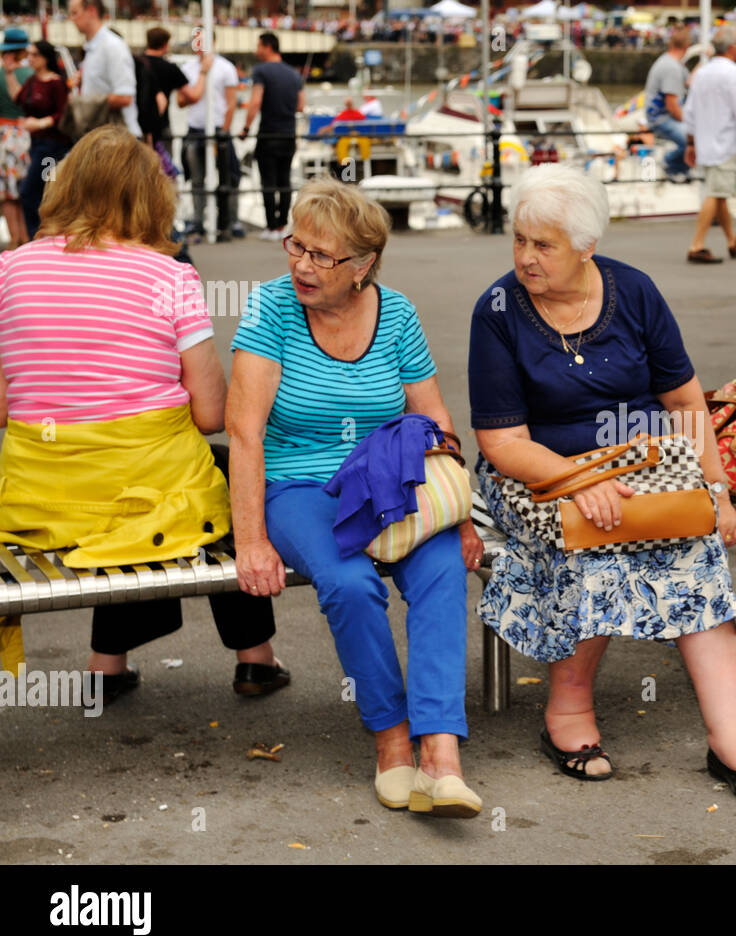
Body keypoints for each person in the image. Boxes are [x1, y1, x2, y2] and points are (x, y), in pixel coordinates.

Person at [469, 164, 736, 802]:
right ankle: (569, 713)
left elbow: (686, 400)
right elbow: (500, 442)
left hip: (641, 466)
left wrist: (716, 489)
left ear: (587, 247)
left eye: (544, 245)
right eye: (520, 241)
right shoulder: (498, 310)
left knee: (693, 547)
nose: (526, 258)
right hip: (535, 471)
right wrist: (574, 479)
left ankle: (733, 736)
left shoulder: (633, 291)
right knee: (602, 536)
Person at [227, 178, 484, 817]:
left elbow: (436, 421)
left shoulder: (395, 312)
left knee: (443, 568)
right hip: (299, 485)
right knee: (347, 582)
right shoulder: (271, 309)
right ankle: (392, 740)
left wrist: (460, 515)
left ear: (363, 266)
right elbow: (243, 432)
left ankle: (442, 755)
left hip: (387, 482)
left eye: (323, 256)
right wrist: (251, 540)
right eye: (297, 247)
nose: (302, 265)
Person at [0, 126, 282, 702]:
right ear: (150, 196)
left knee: (124, 497)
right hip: (148, 488)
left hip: (37, 497)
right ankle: (255, 658)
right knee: (226, 477)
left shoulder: (10, 271)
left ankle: (108, 665)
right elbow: (208, 413)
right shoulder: (170, 275)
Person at [683, 25, 736, 264]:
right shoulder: (734, 73)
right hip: (726, 142)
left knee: (720, 192)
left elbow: (690, 111)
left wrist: (691, 143)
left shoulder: (702, 72)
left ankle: (731, 240)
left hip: (705, 142)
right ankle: (697, 245)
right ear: (733, 48)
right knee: (716, 192)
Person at [241, 32, 304, 241]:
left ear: (268, 47)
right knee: (284, 180)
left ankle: (271, 226)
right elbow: (301, 105)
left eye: (258, 46)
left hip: (268, 132)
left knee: (267, 180)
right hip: (288, 133)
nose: (256, 50)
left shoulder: (261, 71)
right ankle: (283, 225)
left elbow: (256, 101)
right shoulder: (294, 74)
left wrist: (246, 127)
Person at [180, 38, 238, 241]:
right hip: (196, 129)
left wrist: (224, 130)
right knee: (197, 179)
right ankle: (197, 222)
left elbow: (231, 103)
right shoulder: (188, 68)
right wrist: (201, 78)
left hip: (218, 131)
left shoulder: (226, 68)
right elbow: (181, 100)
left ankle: (228, 222)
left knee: (227, 177)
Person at [14, 40, 70, 240]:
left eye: (34, 54)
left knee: (37, 191)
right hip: (36, 144)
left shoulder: (55, 83)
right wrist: (10, 72)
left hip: (51, 146)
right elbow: (18, 99)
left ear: (44, 58)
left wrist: (40, 123)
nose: (30, 58)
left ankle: (40, 236)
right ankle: (42, 236)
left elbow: (63, 113)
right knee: (41, 190)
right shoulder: (32, 81)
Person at [68, 0, 139, 138]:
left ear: (92, 11)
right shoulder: (94, 47)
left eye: (75, 13)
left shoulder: (112, 46)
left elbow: (125, 97)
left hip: (118, 139)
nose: (72, 18)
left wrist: (83, 102)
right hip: (105, 136)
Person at [142, 27, 196, 165]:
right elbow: (192, 96)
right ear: (166, 44)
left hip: (138, 126)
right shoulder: (169, 68)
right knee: (165, 172)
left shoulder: (136, 64)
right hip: (162, 126)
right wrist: (203, 73)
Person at [643, 25, 691, 183]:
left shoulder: (670, 63)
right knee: (693, 139)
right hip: (660, 119)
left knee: (695, 134)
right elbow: (672, 107)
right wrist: (689, 122)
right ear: (687, 47)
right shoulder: (671, 68)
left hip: (657, 116)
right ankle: (671, 164)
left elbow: (690, 82)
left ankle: (679, 167)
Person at [0, 28, 33, 248]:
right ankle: (29, 240)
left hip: (3, 136)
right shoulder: (32, 75)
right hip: (30, 134)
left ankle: (14, 241)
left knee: (8, 193)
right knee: (29, 190)